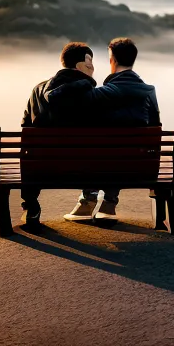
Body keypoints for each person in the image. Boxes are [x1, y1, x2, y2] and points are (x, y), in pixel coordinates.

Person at [48, 37, 160, 223]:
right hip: (140, 168)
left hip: (101, 165)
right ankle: (109, 203)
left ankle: (87, 202)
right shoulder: (149, 91)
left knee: (96, 147)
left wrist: (86, 82)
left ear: (112, 60)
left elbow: (56, 97)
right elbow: (156, 124)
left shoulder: (101, 93)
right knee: (117, 152)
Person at [18, 41, 97, 226]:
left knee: (30, 153)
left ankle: (31, 206)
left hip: (42, 167)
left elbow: (25, 126)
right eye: (90, 61)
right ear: (80, 65)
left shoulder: (37, 90)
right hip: (83, 169)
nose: (92, 67)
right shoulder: (90, 92)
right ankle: (89, 198)